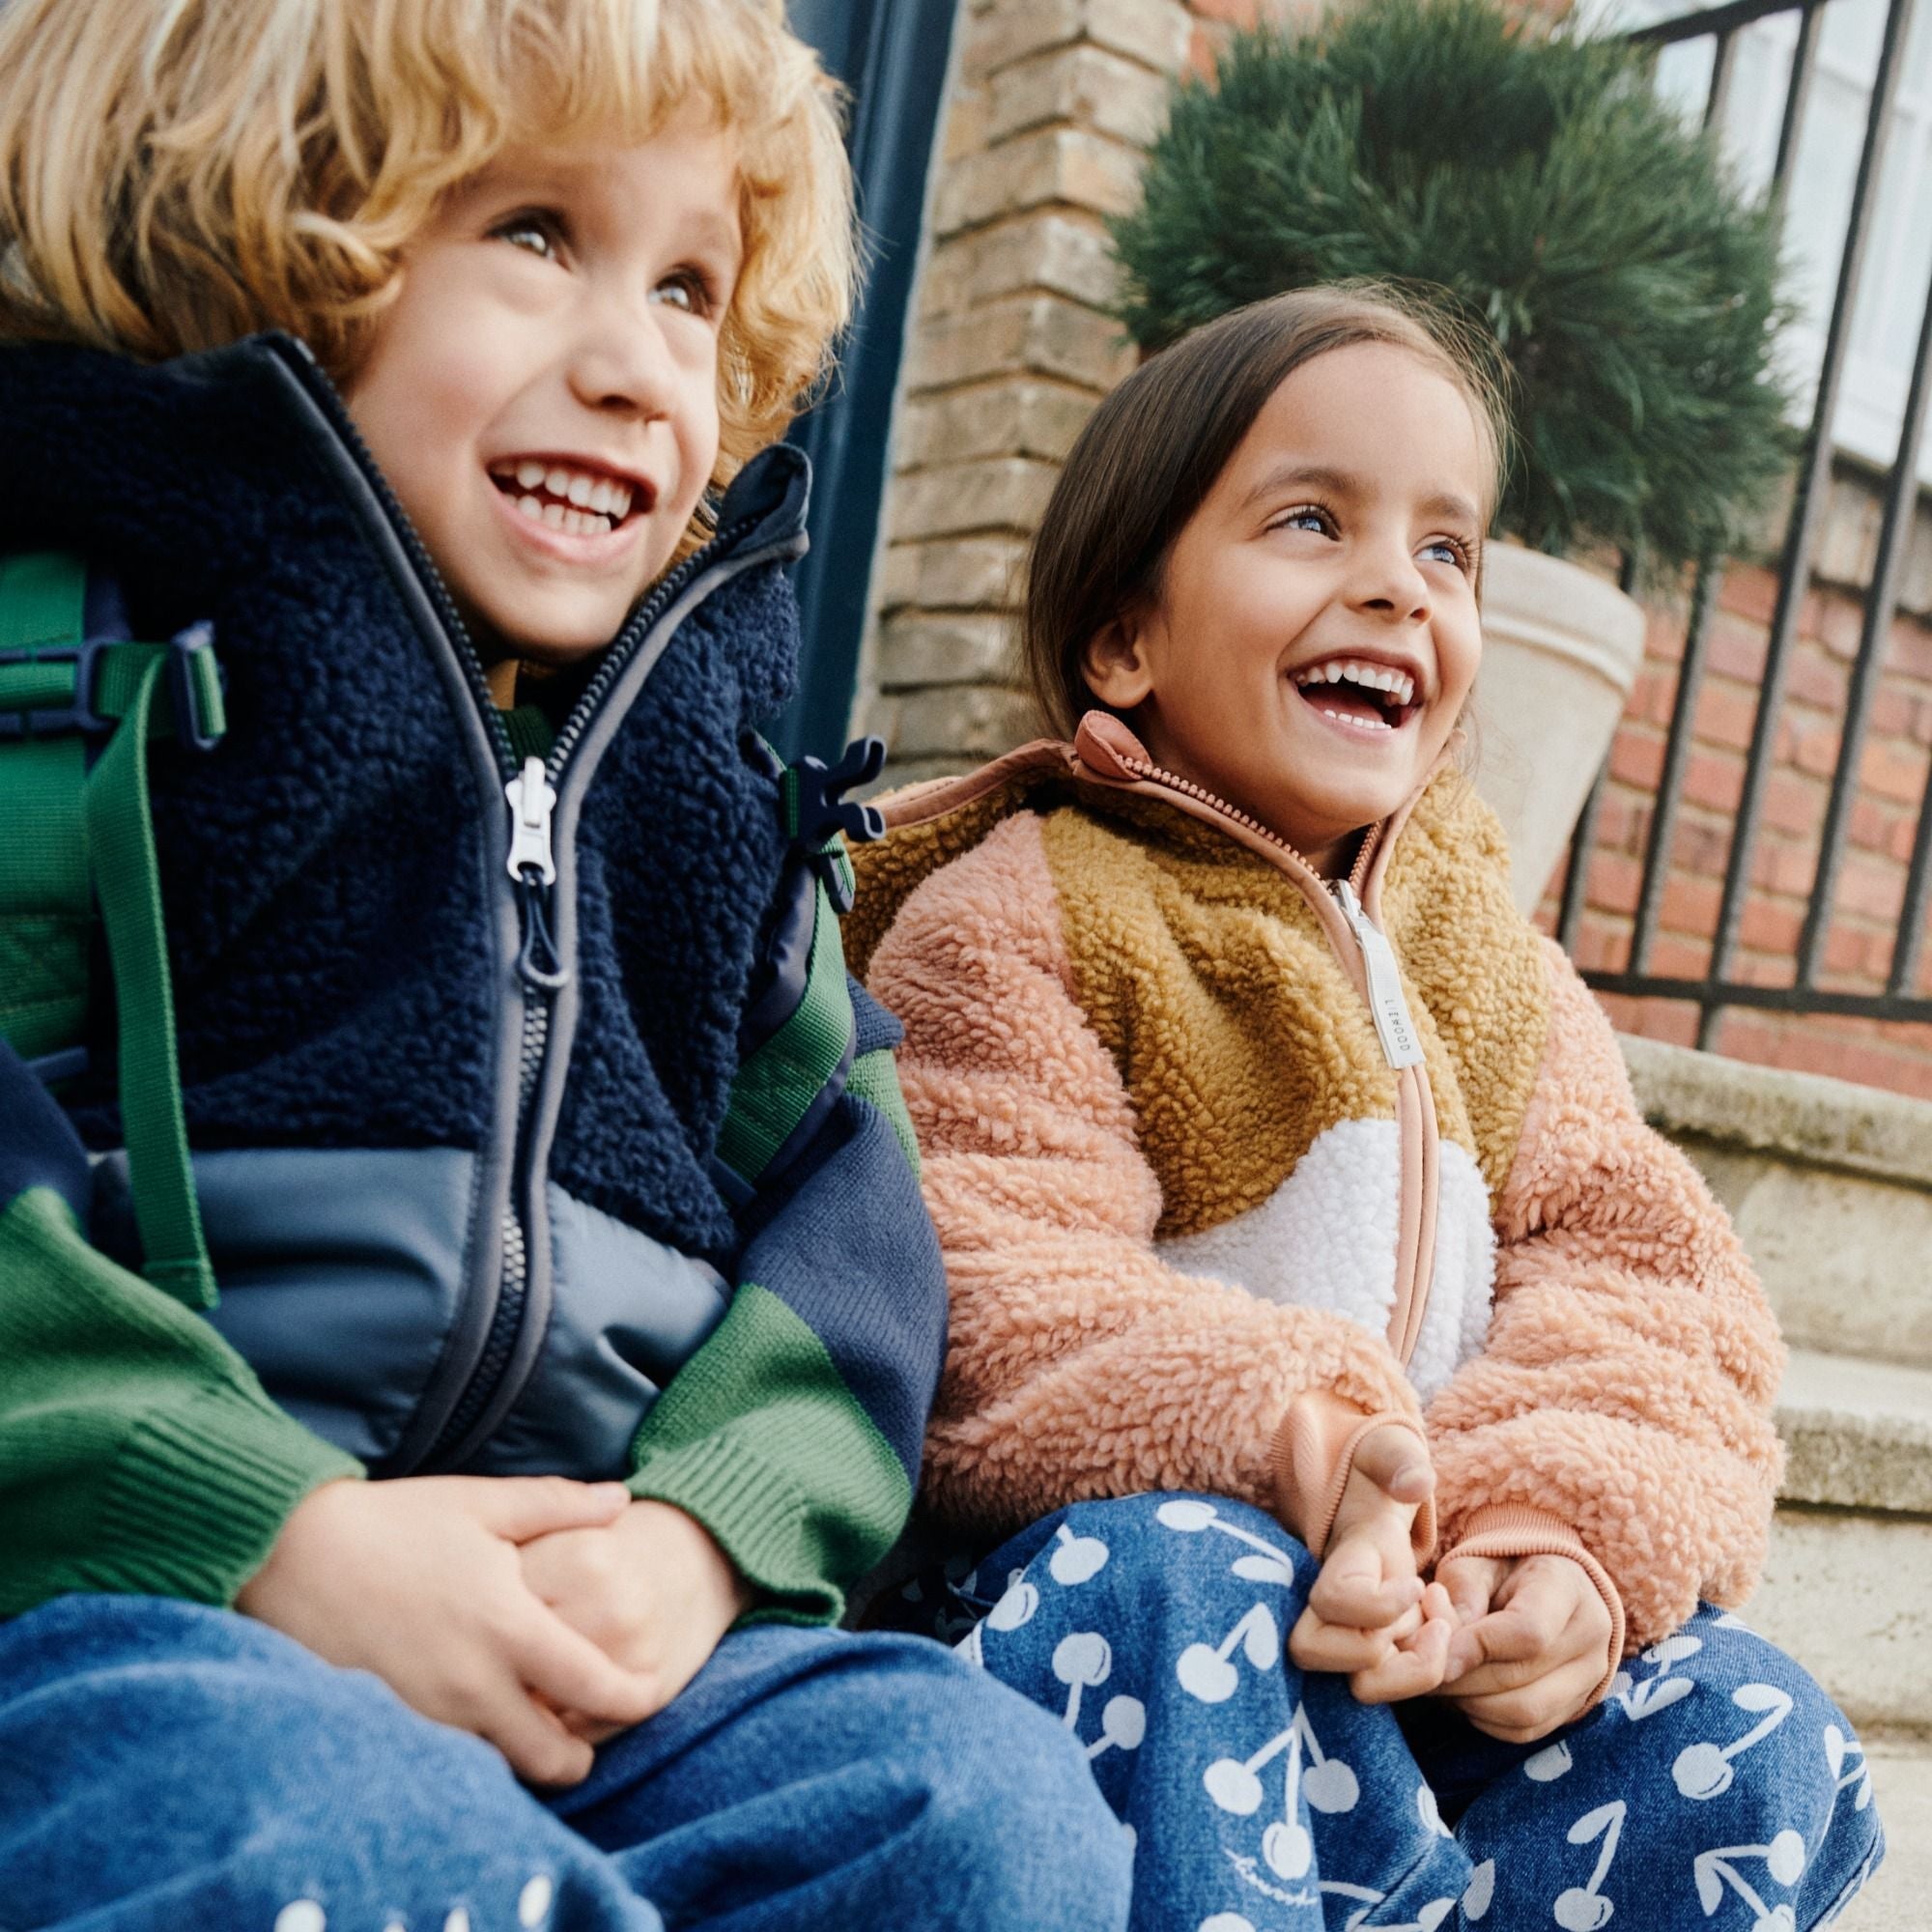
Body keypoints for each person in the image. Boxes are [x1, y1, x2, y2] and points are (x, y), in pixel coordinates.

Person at [0, 2, 1131, 1927]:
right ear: (268, 234)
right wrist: (269, 1530)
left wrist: (708, 1534)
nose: (633, 366)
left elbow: (848, 1250)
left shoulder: (709, 798)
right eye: (536, 235)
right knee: (354, 1841)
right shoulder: (70, 676)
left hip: (591, 1640)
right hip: (128, 1599)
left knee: (981, 1806)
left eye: (689, 287)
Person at [851, 285, 1885, 1930]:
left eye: (1447, 548)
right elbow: (988, 1286)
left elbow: (1655, 1291)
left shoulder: (1500, 970)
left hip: (1422, 1664)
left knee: (1756, 1727)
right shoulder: (1022, 913)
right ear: (1126, 641)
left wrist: (1545, 1538)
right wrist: (1314, 1445)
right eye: (1313, 521)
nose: (1398, 583)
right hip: (1126, 1654)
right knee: (1184, 1567)